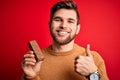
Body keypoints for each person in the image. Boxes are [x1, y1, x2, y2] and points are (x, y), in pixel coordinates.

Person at [21, 0, 109, 80]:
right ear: (50, 25)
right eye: (58, 20)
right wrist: (31, 77)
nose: (63, 25)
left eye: (70, 21)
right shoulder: (34, 61)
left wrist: (93, 74)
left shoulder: (93, 58)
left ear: (77, 29)